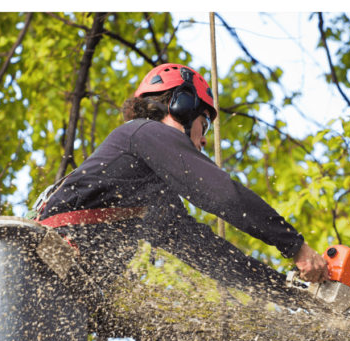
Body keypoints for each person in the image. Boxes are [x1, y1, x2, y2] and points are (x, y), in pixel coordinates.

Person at [36, 63, 330, 299]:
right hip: (46, 263)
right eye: (205, 123)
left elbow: (209, 254)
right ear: (182, 106)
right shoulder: (143, 132)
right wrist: (296, 247)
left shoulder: (151, 197)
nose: (204, 139)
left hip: (61, 287)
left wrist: (290, 293)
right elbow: (223, 195)